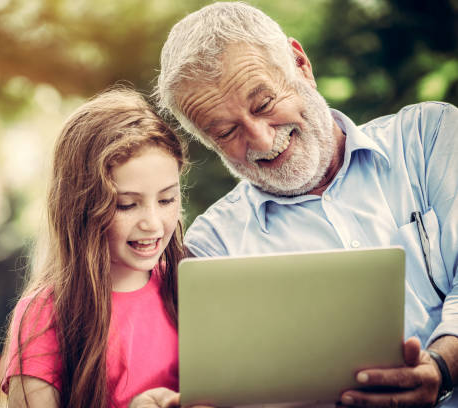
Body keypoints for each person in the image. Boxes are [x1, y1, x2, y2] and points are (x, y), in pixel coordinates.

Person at [155, 2, 458, 408]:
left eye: (263, 104)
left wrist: (440, 367)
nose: (261, 141)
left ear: (301, 64)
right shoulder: (214, 247)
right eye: (226, 131)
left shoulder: (428, 136)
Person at [0, 87, 187, 408]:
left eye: (167, 199)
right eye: (127, 205)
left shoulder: (187, 286)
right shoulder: (46, 314)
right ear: (82, 208)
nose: (153, 223)